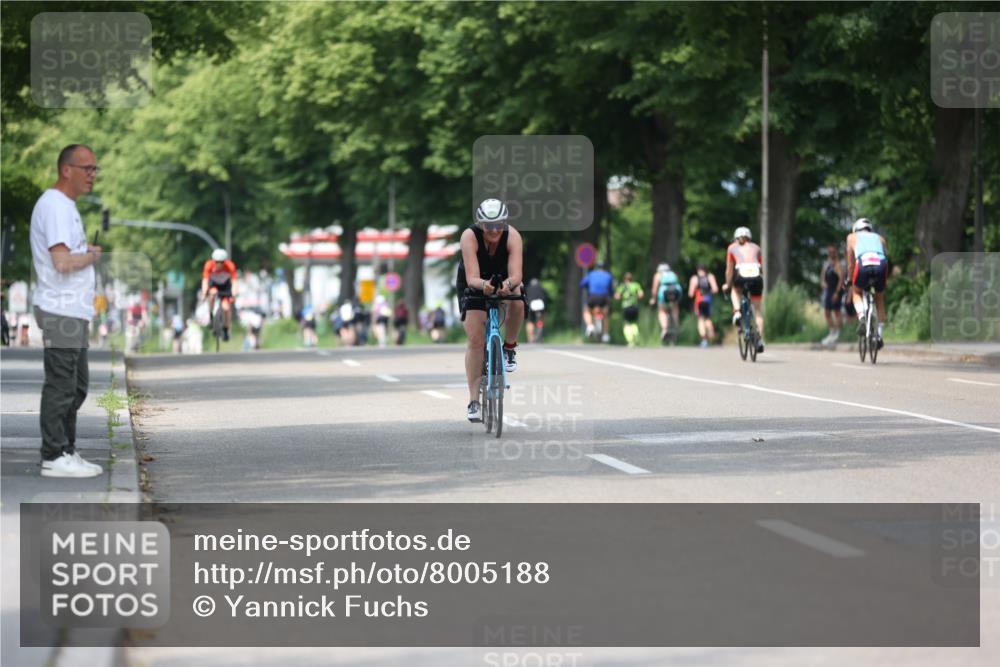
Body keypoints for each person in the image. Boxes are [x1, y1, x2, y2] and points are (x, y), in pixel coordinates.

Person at [29, 144, 104, 478]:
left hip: (72, 310)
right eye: (86, 168)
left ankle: (67, 449)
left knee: (77, 385)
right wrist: (90, 256)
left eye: (94, 169)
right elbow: (61, 262)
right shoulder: (56, 206)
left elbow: (65, 251)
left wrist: (83, 251)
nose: (92, 175)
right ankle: (54, 454)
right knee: (62, 385)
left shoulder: (66, 206)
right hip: (60, 310)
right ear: (66, 170)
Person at [457, 198, 524, 422]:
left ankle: (509, 348)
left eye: (499, 225)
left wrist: (508, 285)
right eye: (489, 225)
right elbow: (472, 277)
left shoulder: (512, 236)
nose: (494, 230)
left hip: (503, 276)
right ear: (480, 224)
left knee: (519, 296)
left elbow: (516, 274)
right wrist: (484, 286)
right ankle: (474, 401)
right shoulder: (469, 236)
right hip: (474, 282)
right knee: (476, 341)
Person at [846, 217, 889, 348]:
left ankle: (862, 318)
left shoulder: (851, 237)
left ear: (856, 229)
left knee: (856, 292)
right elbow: (887, 257)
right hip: (881, 264)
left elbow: (851, 264)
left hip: (863, 264)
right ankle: (879, 336)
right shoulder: (880, 238)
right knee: (879, 298)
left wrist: (849, 280)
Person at [723, 226, 765, 354]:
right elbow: (761, 267)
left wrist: (727, 285)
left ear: (736, 238)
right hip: (756, 277)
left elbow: (729, 270)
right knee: (757, 310)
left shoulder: (732, 247)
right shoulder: (756, 247)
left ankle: (737, 312)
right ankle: (759, 339)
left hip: (741, 274)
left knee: (735, 291)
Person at [201, 248, 238, 341]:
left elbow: (234, 282)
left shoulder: (230, 266)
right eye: (217, 262)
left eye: (221, 262)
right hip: (214, 284)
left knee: (226, 308)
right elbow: (205, 280)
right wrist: (204, 293)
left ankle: (226, 329)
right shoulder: (209, 265)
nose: (219, 264)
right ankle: (211, 316)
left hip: (225, 286)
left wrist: (234, 294)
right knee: (212, 294)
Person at [580, 261, 614, 342]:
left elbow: (582, 284)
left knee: (586, 310)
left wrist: (587, 287)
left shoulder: (591, 274)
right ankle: (606, 334)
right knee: (605, 314)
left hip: (593, 296)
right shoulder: (608, 276)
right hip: (604, 297)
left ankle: (590, 326)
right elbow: (611, 290)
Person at [649, 262, 682, 344]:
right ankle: (675, 326)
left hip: (664, 293)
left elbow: (655, 288)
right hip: (676, 292)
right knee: (674, 308)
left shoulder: (658, 275)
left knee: (662, 311)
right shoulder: (673, 274)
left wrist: (653, 298)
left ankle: (665, 329)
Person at [688, 264, 719, 348]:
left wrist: (696, 292)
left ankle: (704, 339)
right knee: (708, 318)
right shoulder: (710, 276)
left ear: (698, 270)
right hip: (708, 300)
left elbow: (690, 293)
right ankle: (711, 334)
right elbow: (715, 289)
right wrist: (709, 292)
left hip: (699, 301)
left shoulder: (694, 278)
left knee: (701, 319)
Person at [820, 245, 845, 346]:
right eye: (829, 252)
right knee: (827, 312)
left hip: (835, 290)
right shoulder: (827, 265)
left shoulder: (837, 265)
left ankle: (838, 333)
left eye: (833, 252)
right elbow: (822, 276)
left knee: (837, 312)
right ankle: (832, 332)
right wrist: (822, 282)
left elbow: (841, 279)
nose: (831, 254)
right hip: (828, 290)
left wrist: (837, 293)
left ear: (835, 253)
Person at [614, 272, 644, 346]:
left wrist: (622, 297)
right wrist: (635, 297)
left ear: (624, 279)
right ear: (631, 279)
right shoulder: (636, 285)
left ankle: (630, 340)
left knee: (627, 323)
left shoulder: (622, 286)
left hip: (626, 307)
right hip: (634, 306)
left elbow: (617, 297)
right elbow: (641, 295)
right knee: (634, 323)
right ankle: (636, 336)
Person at [524, 278, 549, 343]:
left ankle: (530, 339)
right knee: (541, 319)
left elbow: (525, 299)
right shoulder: (542, 288)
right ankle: (540, 327)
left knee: (530, 322)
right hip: (541, 305)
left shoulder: (528, 289)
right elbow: (545, 298)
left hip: (532, 305)